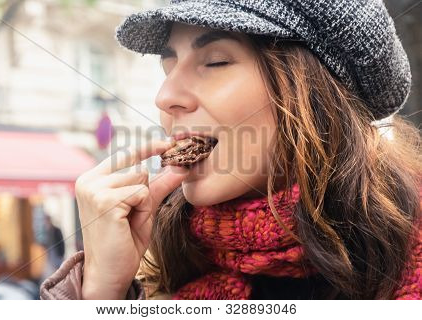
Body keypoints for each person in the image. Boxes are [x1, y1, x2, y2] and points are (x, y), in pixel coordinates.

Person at [40, 0, 421, 300]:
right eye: (167, 66)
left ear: (313, 94)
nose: (165, 96)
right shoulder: (161, 273)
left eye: (216, 61)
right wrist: (101, 292)